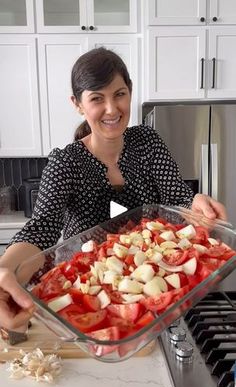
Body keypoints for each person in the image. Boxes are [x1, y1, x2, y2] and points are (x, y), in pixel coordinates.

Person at [0, 47, 227, 331]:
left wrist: (195, 201)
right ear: (78, 104)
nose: (112, 109)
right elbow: (41, 229)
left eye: (119, 94)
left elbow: (176, 196)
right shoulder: (66, 163)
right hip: (86, 299)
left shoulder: (147, 142)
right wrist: (5, 269)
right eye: (97, 99)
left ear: (130, 92)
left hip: (149, 297)